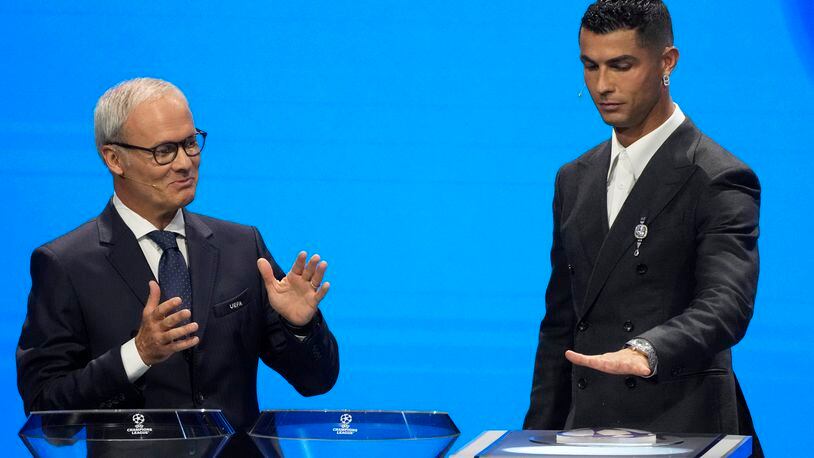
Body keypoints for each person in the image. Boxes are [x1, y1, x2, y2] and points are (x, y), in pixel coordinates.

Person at [16, 77, 340, 456]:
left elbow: (316, 381)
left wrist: (298, 328)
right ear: (114, 158)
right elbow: (47, 414)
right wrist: (138, 354)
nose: (186, 163)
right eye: (164, 151)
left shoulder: (241, 246)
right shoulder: (65, 265)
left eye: (190, 142)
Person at [523, 1, 762, 455]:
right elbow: (560, 327)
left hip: (683, 429)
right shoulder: (573, 178)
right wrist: (534, 438)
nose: (602, 85)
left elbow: (726, 305)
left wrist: (646, 351)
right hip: (588, 431)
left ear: (667, 62)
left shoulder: (717, 176)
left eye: (621, 66)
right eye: (590, 67)